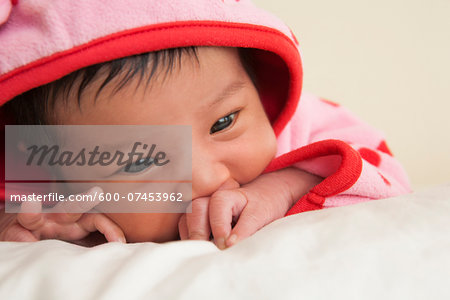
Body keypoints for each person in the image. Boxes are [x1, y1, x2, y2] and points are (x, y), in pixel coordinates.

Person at [0, 0, 410, 249]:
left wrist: (286, 186)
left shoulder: (305, 126)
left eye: (224, 122)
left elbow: (390, 177)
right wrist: (26, 223)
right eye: (141, 161)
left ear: (258, 87)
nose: (206, 177)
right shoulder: (54, 192)